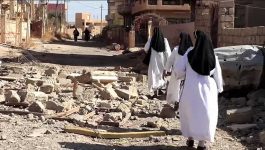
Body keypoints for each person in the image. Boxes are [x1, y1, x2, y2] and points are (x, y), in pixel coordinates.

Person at [173, 30, 223, 150]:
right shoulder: (213, 56)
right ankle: (201, 143)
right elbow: (217, 75)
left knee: (190, 113)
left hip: (190, 88)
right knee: (205, 115)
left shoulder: (189, 53)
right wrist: (219, 87)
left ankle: (190, 139)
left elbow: (179, 71)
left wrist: (184, 75)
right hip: (208, 91)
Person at [164, 32, 193, 106]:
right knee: (184, 89)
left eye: (180, 38)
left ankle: (176, 102)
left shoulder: (176, 49)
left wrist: (167, 69)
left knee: (175, 88)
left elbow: (170, 60)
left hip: (176, 72)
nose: (179, 40)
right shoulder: (192, 50)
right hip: (187, 73)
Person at [143, 27, 171, 97]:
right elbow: (168, 52)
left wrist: (149, 51)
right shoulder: (164, 40)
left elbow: (145, 49)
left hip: (153, 61)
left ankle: (156, 92)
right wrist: (169, 63)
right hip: (162, 60)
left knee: (153, 75)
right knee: (161, 75)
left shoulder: (151, 40)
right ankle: (161, 89)